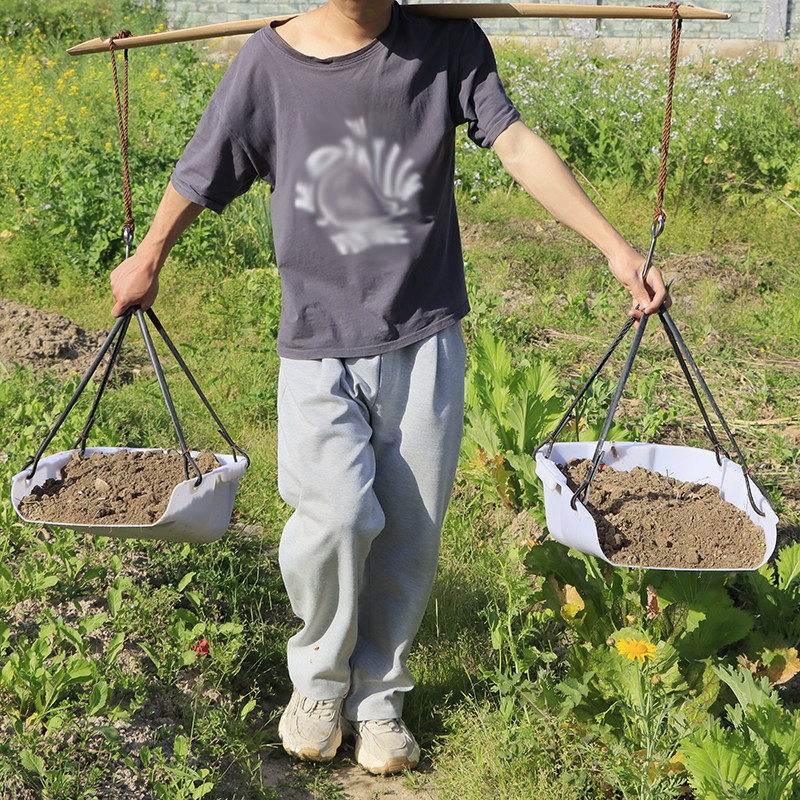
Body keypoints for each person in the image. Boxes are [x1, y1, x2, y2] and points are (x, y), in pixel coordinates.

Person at [110, 0, 670, 776]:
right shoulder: (269, 65)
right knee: (335, 516)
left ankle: (379, 697)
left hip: (424, 334)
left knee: (409, 529)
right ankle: (318, 680)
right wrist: (149, 255)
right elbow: (202, 169)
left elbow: (514, 144)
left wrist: (615, 248)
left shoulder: (445, 43)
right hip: (317, 341)